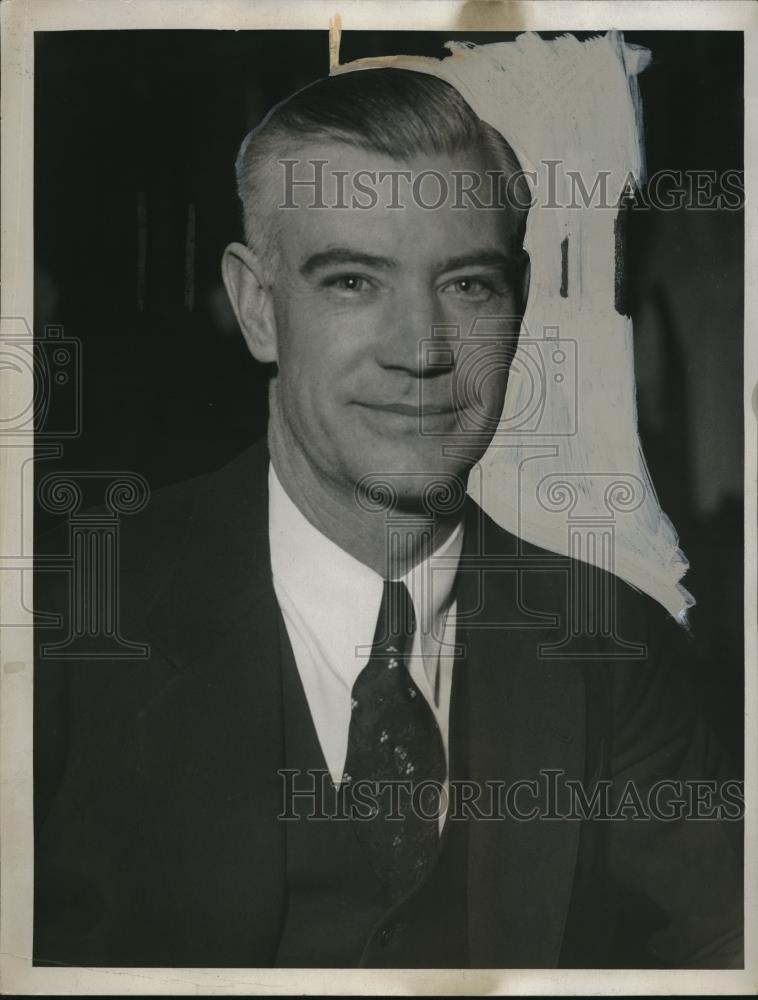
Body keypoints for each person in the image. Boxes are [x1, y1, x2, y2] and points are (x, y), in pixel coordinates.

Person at [33, 68, 743, 969]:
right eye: (353, 281)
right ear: (257, 307)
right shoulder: (61, 623)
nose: (421, 350)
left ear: (519, 303)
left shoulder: (608, 644)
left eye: (468, 286)